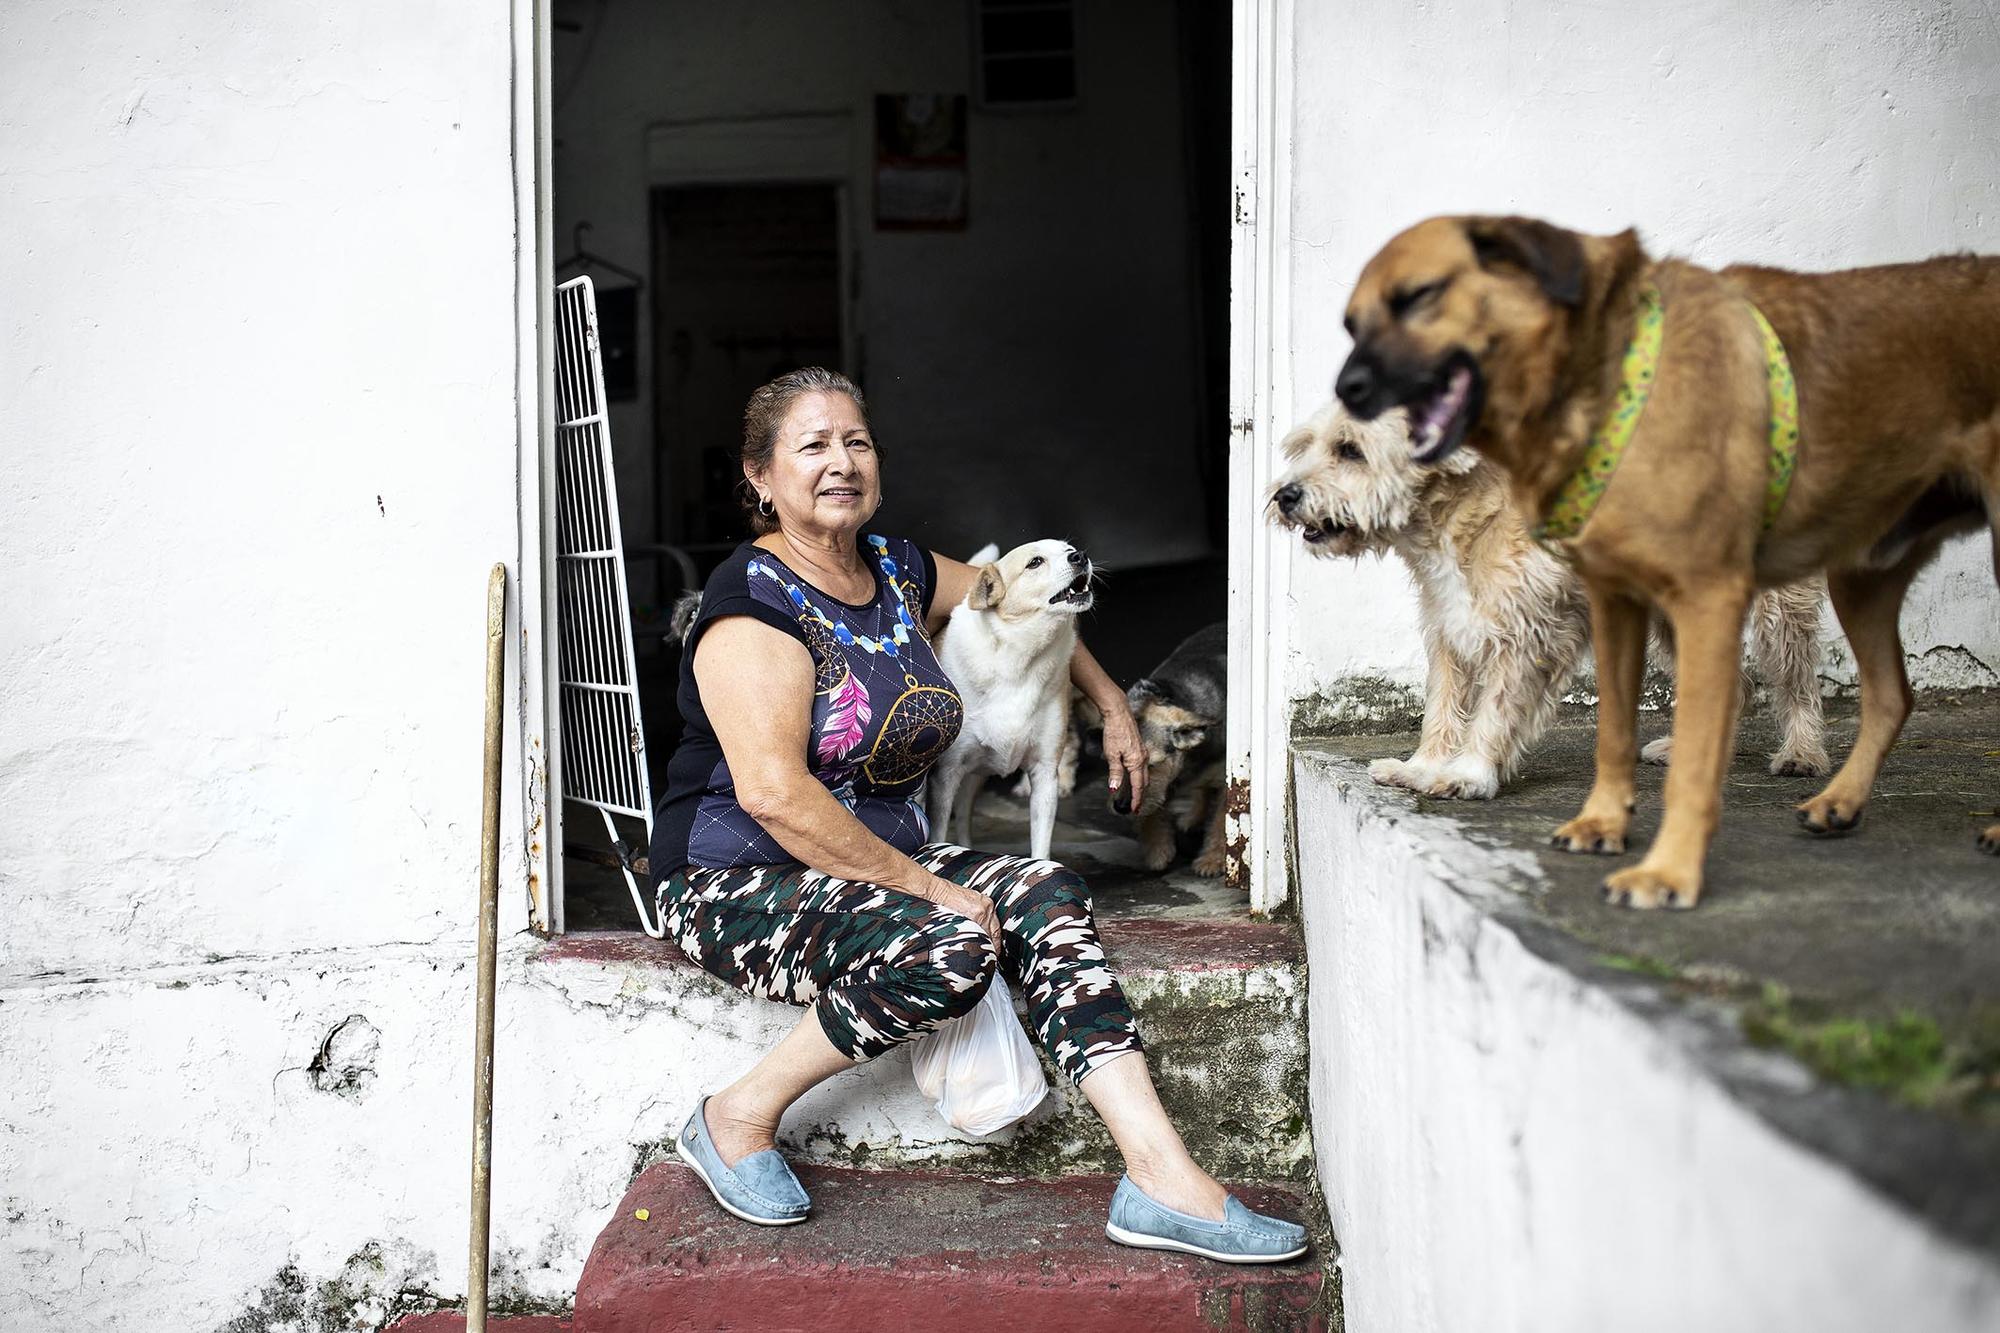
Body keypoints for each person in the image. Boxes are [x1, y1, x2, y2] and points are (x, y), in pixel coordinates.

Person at [648, 367, 1306, 1264]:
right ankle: (735, 1116)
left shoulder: (897, 566)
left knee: (1044, 886)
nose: (841, 462)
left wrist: (1111, 701)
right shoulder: (750, 604)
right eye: (812, 445)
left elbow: (1028, 597)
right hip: (739, 879)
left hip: (866, 861)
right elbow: (775, 795)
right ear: (761, 477)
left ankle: (1160, 1177)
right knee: (950, 941)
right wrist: (928, 887)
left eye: (857, 441)